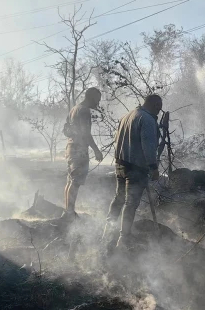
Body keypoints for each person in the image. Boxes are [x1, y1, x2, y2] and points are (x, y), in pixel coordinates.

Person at [103, 94, 162, 250]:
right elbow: (148, 146)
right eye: (158, 108)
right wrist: (153, 167)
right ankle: (124, 239)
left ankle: (108, 232)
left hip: (121, 165)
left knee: (119, 199)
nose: (159, 112)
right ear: (155, 105)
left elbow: (117, 141)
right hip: (136, 168)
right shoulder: (147, 120)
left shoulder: (127, 116)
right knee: (131, 204)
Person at [63, 87, 104, 218]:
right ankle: (69, 212)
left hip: (70, 147)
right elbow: (86, 133)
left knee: (70, 180)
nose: (97, 103)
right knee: (75, 182)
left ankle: (68, 210)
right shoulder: (84, 111)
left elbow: (65, 130)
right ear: (91, 97)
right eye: (97, 99)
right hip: (79, 149)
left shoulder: (74, 109)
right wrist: (96, 150)